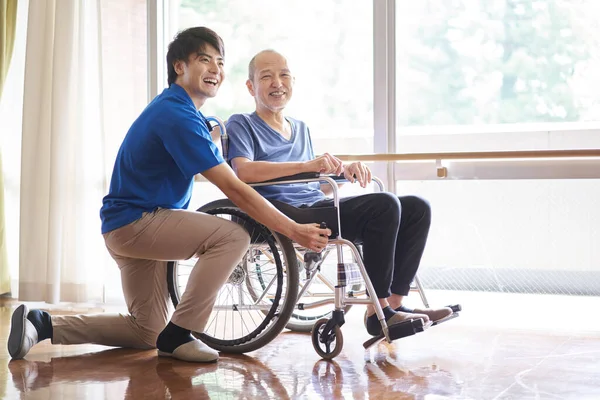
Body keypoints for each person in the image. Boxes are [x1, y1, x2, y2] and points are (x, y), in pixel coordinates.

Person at [7, 28, 330, 364]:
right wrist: (294, 230)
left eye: (220, 62)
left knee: (146, 331)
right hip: (139, 222)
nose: (216, 69)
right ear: (180, 66)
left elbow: (210, 145)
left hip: (128, 227)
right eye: (204, 59)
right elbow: (234, 188)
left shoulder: (182, 112)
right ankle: (180, 335)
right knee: (233, 236)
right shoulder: (177, 116)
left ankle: (42, 325)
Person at [225, 50, 453, 337]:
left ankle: (391, 307)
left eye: (284, 75)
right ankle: (379, 309)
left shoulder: (301, 128)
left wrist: (343, 173)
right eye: (266, 77)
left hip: (313, 203)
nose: (277, 83)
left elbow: (312, 183)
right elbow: (244, 172)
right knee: (384, 205)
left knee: (416, 207)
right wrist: (308, 164)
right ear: (250, 86)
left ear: (292, 81)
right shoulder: (241, 123)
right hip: (279, 210)